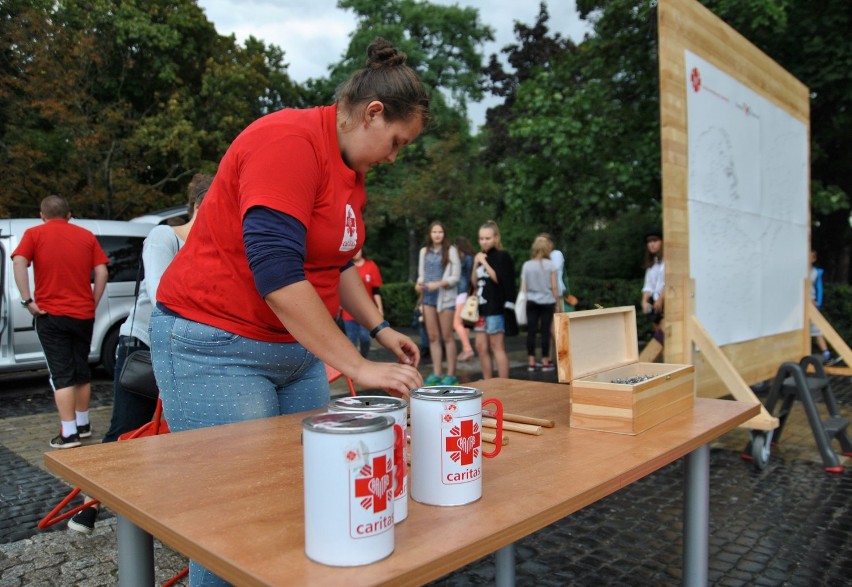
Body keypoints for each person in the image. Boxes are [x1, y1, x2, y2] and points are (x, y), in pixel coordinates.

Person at [149, 38, 427, 586]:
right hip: (216, 345)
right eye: (396, 142)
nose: (394, 157)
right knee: (232, 521)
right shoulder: (288, 140)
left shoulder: (352, 172)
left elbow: (338, 262)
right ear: (372, 113)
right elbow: (276, 272)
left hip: (294, 353)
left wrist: (380, 327)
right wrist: (359, 365)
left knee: (301, 503)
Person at [67, 175, 213, 535]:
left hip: (187, 352)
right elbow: (163, 294)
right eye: (220, 204)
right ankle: (88, 506)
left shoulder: (217, 248)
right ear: (197, 205)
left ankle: (165, 508)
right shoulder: (165, 237)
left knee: (179, 433)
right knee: (127, 430)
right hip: (143, 346)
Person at [11, 195, 109, 449]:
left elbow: (19, 261)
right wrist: (93, 301)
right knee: (81, 370)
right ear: (69, 215)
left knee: (61, 374)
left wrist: (27, 300)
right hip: (83, 314)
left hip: (50, 314)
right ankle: (83, 424)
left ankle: (68, 433)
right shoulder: (86, 236)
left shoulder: (34, 234)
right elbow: (102, 271)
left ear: (42, 215)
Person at [416, 221, 461, 385]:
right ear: (430, 234)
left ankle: (451, 374)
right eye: (434, 232)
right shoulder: (424, 251)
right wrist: (419, 283)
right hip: (428, 298)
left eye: (440, 232)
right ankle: (437, 373)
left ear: (444, 234)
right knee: (433, 337)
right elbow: (421, 274)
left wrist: (439, 284)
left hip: (445, 298)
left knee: (447, 336)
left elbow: (455, 277)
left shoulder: (451, 251)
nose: (437, 235)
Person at [472, 220, 515, 379]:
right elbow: (474, 283)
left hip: (495, 309)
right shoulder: (480, 257)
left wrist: (484, 262)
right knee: (481, 347)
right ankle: (488, 381)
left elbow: (501, 280)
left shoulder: (502, 256)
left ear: (496, 238)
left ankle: (503, 383)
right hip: (481, 309)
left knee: (497, 346)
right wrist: (476, 263)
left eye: (487, 238)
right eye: (481, 238)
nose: (484, 241)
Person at [522, 235, 559, 372]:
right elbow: (554, 287)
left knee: (531, 331)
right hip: (547, 301)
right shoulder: (551, 265)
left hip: (531, 301)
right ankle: (545, 362)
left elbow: (524, 287)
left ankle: (531, 361)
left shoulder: (527, 265)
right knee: (545, 332)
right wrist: (557, 304)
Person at [341, 247, 384, 357]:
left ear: (362, 250)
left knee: (365, 338)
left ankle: (363, 358)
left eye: (358, 250)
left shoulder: (371, 265)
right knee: (351, 340)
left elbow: (376, 290)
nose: (356, 253)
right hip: (348, 311)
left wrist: (379, 308)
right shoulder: (344, 266)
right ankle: (353, 369)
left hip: (366, 310)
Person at [452, 236, 475, 362]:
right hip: (466, 292)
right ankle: (465, 349)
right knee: (464, 324)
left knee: (456, 323)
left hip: (461, 292)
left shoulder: (464, 259)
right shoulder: (470, 258)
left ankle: (467, 349)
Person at [641, 228, 665, 344]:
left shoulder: (668, 261)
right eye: (649, 242)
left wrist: (661, 299)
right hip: (655, 305)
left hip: (667, 301)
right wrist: (644, 302)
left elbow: (669, 283)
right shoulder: (652, 264)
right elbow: (648, 286)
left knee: (665, 335)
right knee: (659, 336)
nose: (651, 244)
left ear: (662, 242)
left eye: (655, 241)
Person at [810, 249, 831, 362]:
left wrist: (817, 302)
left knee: (817, 329)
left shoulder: (815, 272)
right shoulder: (798, 271)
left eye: (811, 257)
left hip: (811, 305)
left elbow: (819, 289)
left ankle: (826, 353)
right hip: (799, 306)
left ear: (814, 259)